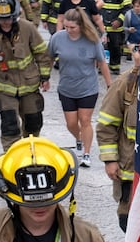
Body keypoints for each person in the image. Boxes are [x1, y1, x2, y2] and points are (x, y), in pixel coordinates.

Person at [0, 0, 52, 149]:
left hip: (29, 85)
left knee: (33, 121)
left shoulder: (27, 28)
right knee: (10, 124)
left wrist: (45, 76)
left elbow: (41, 53)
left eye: (8, 18)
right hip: (3, 87)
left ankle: (31, 151)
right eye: (1, 19)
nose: (5, 23)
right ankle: (12, 157)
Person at [46, 9, 111, 167]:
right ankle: (79, 138)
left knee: (85, 120)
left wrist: (110, 85)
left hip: (88, 87)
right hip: (67, 87)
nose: (68, 30)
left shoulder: (92, 40)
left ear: (81, 26)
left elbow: (102, 63)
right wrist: (45, 77)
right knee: (71, 123)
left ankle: (86, 154)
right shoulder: (57, 38)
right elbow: (48, 58)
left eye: (72, 27)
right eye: (66, 27)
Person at [94, 28, 140, 231]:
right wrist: (110, 160)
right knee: (128, 223)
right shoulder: (124, 84)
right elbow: (106, 125)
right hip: (129, 173)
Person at [95, 0, 130, 73]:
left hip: (116, 27)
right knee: (101, 48)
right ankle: (102, 67)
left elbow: (127, 8)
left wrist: (119, 20)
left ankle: (115, 67)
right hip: (102, 25)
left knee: (115, 47)